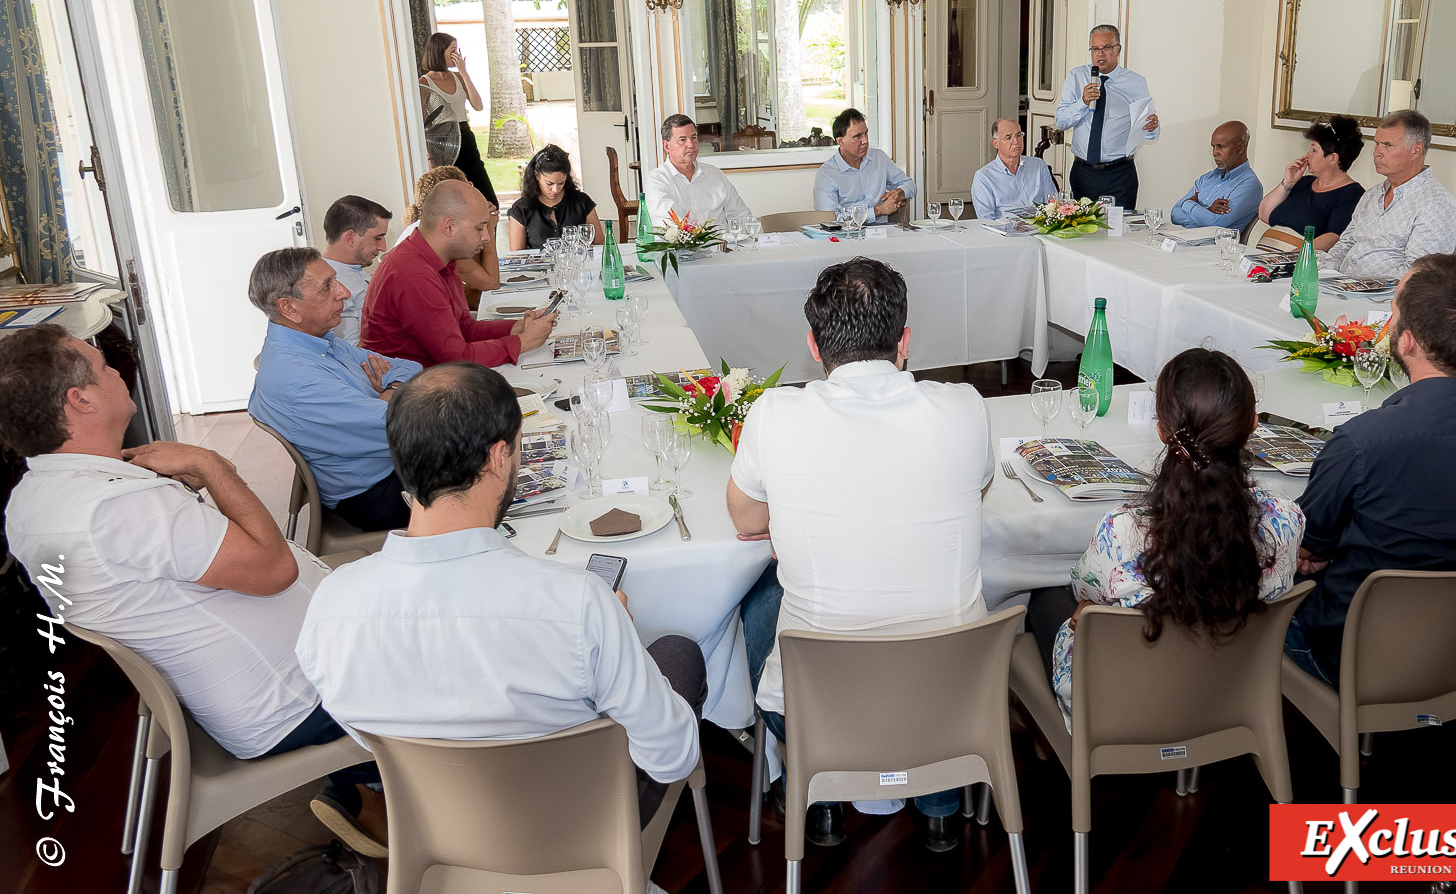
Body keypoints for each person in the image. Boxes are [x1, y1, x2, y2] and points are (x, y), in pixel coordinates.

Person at [0, 325, 387, 856]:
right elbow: (275, 570)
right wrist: (212, 465)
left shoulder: (31, 498)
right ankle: (391, 785)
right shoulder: (116, 509)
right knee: (463, 627)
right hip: (298, 699)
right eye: (103, 366)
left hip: (265, 682)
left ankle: (362, 788)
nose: (118, 372)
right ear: (80, 399)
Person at [295, 362, 705, 831]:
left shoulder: (329, 606)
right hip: (579, 832)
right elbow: (670, 758)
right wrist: (621, 646)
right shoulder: (578, 603)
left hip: (436, 835)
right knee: (678, 653)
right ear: (498, 458)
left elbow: (369, 738)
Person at [729, 257, 992, 853]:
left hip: (822, 709)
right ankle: (940, 805)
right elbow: (977, 491)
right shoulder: (965, 406)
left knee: (758, 595)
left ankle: (818, 795)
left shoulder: (774, 413)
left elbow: (746, 519)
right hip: (951, 702)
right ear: (904, 341)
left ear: (813, 345)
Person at [1284, 255, 1456, 686]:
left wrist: (1321, 550)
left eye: (1393, 311)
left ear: (1407, 342)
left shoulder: (1362, 444)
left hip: (1355, 659)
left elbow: (1302, 545)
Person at [1027, 349, 1300, 713]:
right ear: (1253, 424)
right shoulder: (1286, 520)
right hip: (1228, 692)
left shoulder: (1122, 532)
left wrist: (1085, 613)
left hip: (1122, 707)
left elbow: (1084, 592)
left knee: (1043, 596)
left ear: (1161, 431)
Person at [248, 248, 421, 533]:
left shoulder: (316, 341)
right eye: (327, 287)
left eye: (335, 280)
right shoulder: (300, 378)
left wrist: (390, 389)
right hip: (375, 492)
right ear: (289, 308)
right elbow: (403, 429)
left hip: (388, 466)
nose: (344, 293)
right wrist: (387, 397)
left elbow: (409, 367)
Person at [362, 178, 557, 367]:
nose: (486, 237)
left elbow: (465, 328)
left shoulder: (441, 259)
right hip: (407, 382)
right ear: (449, 227)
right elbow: (455, 358)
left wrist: (518, 327)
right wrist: (523, 342)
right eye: (480, 228)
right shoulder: (415, 275)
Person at [1325, 110, 1456, 277]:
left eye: (1388, 145)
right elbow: (1344, 245)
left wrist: (1358, 286)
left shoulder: (1437, 205)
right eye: (1377, 143)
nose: (1376, 152)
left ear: (1416, 150)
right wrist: (1321, 271)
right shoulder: (1372, 195)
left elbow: (1419, 275)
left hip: (1384, 292)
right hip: (1340, 284)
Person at [1054, 24, 1160, 209]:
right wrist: (1083, 102)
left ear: (1118, 49)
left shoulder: (1135, 82)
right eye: (1095, 49)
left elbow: (1147, 129)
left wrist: (1152, 127)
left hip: (1120, 174)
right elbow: (1061, 121)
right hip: (1083, 172)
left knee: (1120, 227)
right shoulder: (1076, 76)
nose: (1100, 54)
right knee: (1081, 226)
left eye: (1107, 48)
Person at [1255, 115, 1365, 252]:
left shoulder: (1352, 194)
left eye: (1314, 150)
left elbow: (1333, 238)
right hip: (1263, 258)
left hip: (1293, 261)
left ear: (1332, 158)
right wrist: (1288, 182)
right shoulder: (1304, 182)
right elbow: (1263, 214)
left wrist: (1288, 258)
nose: (1307, 154)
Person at [418, 31, 496, 208]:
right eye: (452, 50)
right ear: (439, 52)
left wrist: (463, 71)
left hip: (466, 136)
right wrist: (431, 159)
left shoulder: (459, 77)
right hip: (443, 141)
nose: (457, 55)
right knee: (457, 200)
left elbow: (478, 105)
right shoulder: (424, 83)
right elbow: (422, 125)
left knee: (488, 199)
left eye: (457, 50)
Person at [396, 165, 500, 295]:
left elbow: (476, 265)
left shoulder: (425, 226)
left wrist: (479, 222)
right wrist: (488, 227)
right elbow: (490, 283)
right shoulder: (440, 237)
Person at [643, 113, 755, 224]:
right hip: (683, 237)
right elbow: (671, 225)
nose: (691, 145)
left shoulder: (715, 174)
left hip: (723, 236)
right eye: (682, 140)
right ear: (667, 146)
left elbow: (741, 216)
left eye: (694, 137)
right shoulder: (657, 181)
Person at [812, 108, 917, 224]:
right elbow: (830, 220)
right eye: (857, 136)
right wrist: (878, 211)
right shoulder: (827, 174)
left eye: (866, 133)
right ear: (840, 140)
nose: (865, 141)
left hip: (883, 231)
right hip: (847, 233)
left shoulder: (879, 158)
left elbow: (910, 184)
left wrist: (900, 192)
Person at [1168, 121, 1262, 234]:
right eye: (1213, 147)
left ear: (1240, 147)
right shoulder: (1207, 178)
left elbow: (1215, 223)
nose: (1214, 153)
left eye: (1221, 147)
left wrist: (1187, 203)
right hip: (1185, 239)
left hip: (1215, 244)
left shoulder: (1250, 185)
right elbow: (1174, 214)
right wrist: (1207, 211)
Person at [320, 195, 391, 344]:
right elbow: (351, 351)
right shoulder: (332, 287)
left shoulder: (352, 270)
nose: (383, 247)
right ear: (351, 237)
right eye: (377, 238)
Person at [507, 143, 601, 251]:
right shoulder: (521, 209)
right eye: (549, 183)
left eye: (561, 183)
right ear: (537, 175)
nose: (555, 190)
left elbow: (600, 244)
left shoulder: (582, 202)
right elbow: (517, 256)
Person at [970, 117, 1057, 220]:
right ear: (996, 143)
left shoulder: (1038, 165)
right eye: (1008, 137)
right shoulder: (984, 177)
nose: (1016, 141)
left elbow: (1053, 204)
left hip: (1041, 226)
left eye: (1019, 135)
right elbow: (987, 220)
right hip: (1006, 228)